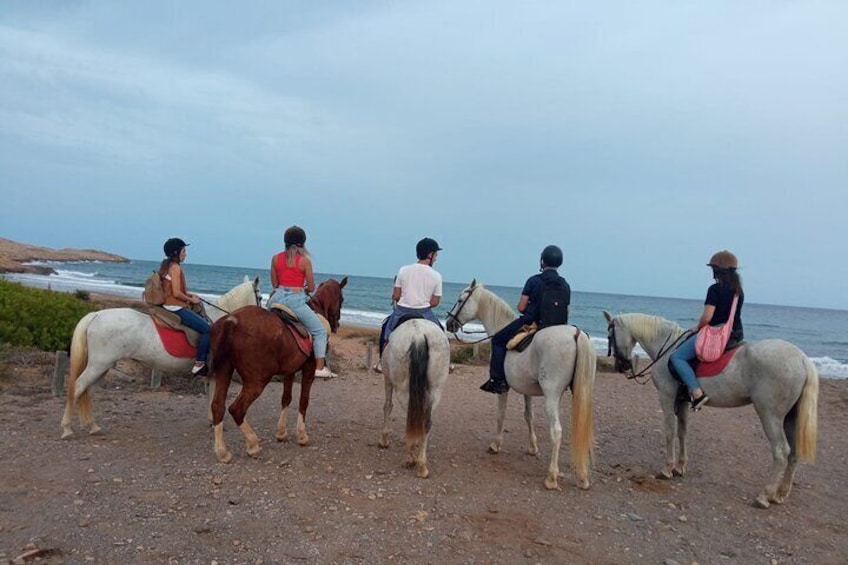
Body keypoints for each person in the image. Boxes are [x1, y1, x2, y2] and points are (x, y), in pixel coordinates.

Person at [480, 245, 571, 394]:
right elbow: (566, 310)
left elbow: (521, 308)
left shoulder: (534, 281)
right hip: (558, 326)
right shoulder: (565, 284)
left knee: (498, 340)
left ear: (543, 261)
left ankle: (498, 381)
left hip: (532, 322)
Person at [669, 250, 745, 411]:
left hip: (717, 333)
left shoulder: (715, 289)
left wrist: (697, 327)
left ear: (718, 270)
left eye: (713, 269)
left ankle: (697, 393)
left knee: (677, 357)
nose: (712, 272)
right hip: (735, 334)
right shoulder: (739, 292)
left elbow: (707, 318)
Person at [267, 226, 337, 378]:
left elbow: (275, 284)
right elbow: (311, 287)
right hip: (295, 300)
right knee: (319, 331)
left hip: (276, 299)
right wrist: (303, 289)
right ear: (302, 244)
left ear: (285, 242)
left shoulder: (275, 258)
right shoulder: (305, 262)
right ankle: (319, 368)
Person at [376, 238, 444, 369]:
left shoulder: (403, 270)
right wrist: (421, 303)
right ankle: (444, 364)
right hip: (424, 312)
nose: (436, 258)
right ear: (430, 255)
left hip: (402, 311)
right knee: (441, 332)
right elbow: (435, 302)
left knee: (386, 330)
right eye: (435, 255)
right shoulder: (436, 275)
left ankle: (381, 361)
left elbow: (396, 295)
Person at [159, 238, 211, 376]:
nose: (185, 254)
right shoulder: (175, 268)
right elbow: (176, 293)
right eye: (184, 251)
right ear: (177, 252)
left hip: (169, 304)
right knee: (208, 329)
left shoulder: (167, 265)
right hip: (175, 307)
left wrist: (189, 294)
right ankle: (199, 363)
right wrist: (190, 300)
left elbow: (172, 289)